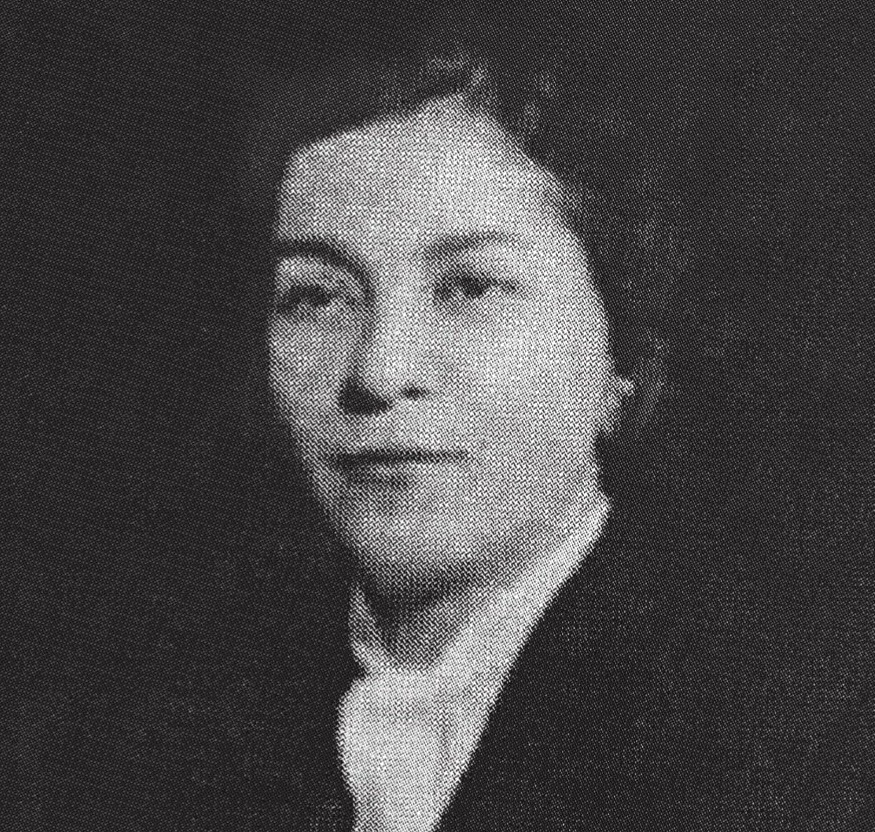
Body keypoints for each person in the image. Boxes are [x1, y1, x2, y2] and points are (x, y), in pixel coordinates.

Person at [181, 26, 873, 832]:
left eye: (470, 287)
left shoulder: (802, 735)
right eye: (318, 296)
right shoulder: (176, 721)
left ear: (622, 357)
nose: (377, 370)